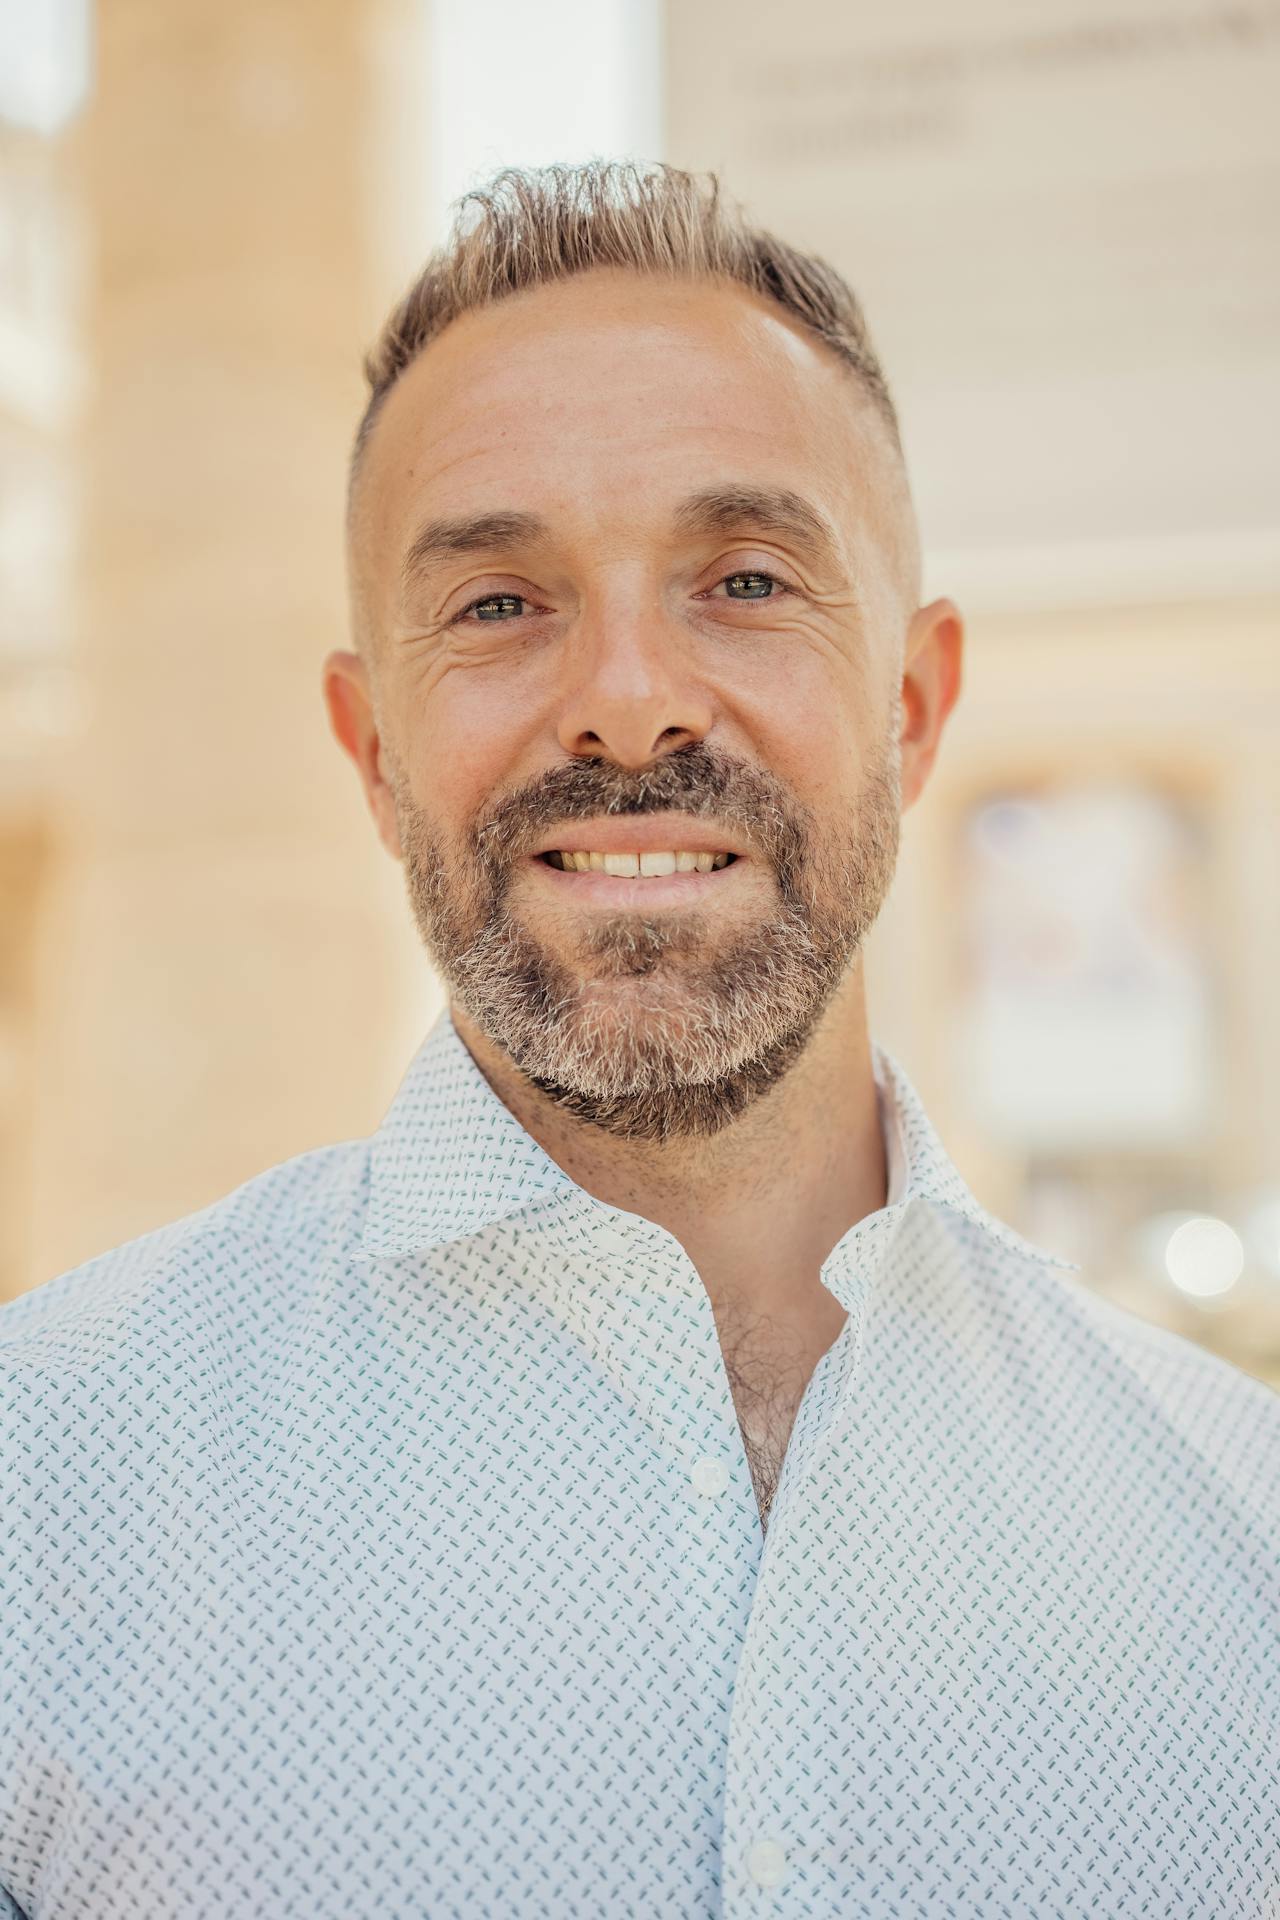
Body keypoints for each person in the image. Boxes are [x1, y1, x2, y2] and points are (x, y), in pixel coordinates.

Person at [2, 161, 1276, 1920]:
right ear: (372, 755)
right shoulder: (37, 1493)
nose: (626, 697)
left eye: (745, 579)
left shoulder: (1248, 1539)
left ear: (911, 707)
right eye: (500, 603)